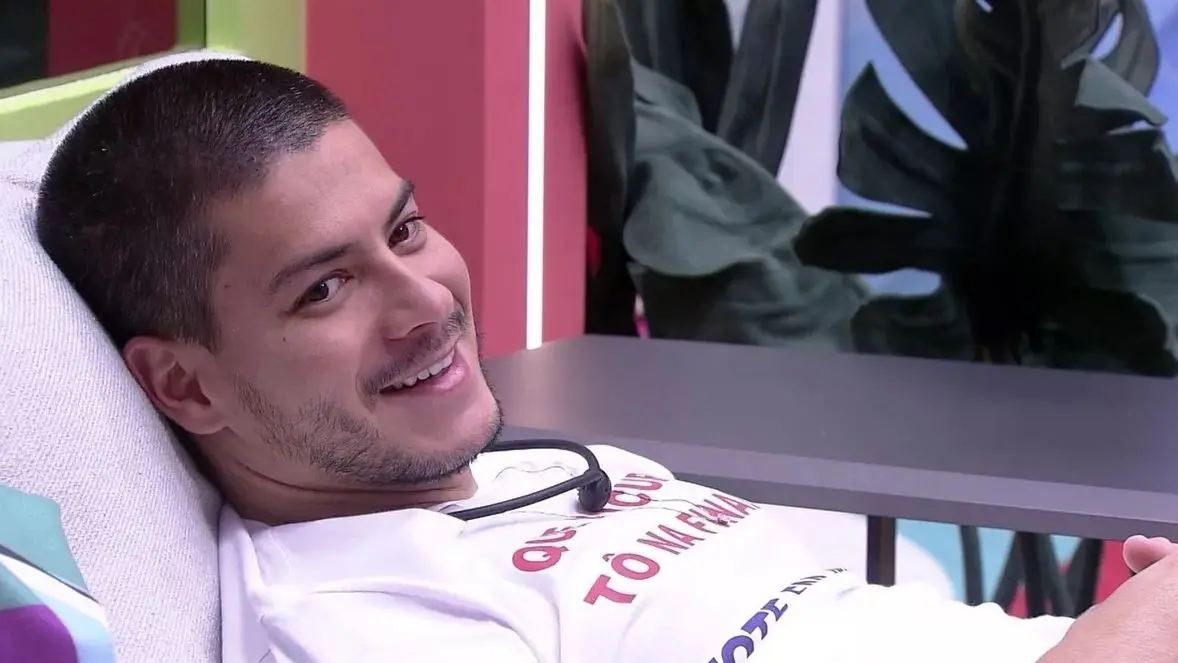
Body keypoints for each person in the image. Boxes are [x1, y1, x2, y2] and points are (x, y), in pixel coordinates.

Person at [32, 57, 1178, 663]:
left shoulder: (541, 470)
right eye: (324, 288)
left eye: (407, 229)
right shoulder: (355, 621)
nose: (425, 300)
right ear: (184, 383)